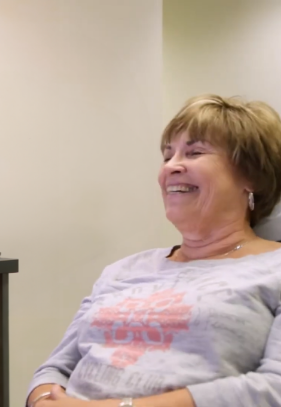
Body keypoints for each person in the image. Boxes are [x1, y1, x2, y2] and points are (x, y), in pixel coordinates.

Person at [27, 94, 281, 407]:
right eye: (166, 156)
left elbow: (274, 388)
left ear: (252, 176)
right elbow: (55, 368)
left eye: (195, 152)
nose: (172, 167)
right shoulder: (122, 270)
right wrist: (41, 401)